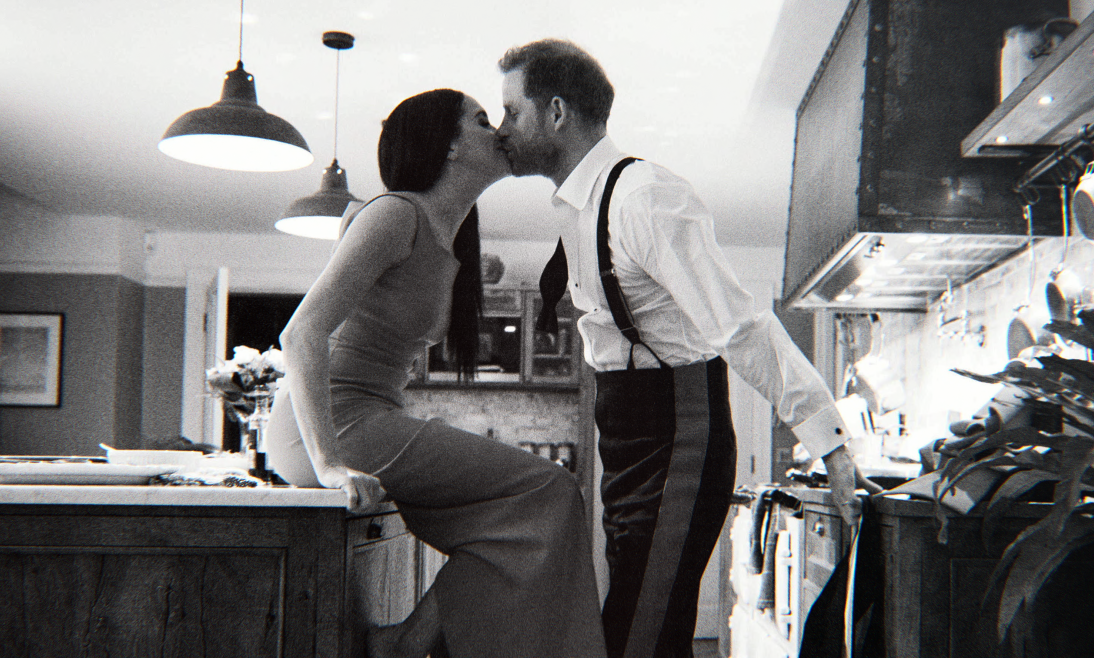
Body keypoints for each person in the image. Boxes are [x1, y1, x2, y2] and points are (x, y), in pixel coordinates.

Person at [495, 39, 880, 658]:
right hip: (623, 433)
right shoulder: (576, 205)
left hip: (678, 431)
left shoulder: (643, 195)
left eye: (513, 112)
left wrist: (830, 443)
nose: (503, 129)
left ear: (556, 113)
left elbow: (741, 325)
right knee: (640, 625)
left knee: (639, 632)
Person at [274, 88, 606, 658]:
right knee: (550, 491)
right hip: (330, 424)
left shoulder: (447, 235)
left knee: (523, 524)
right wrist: (329, 465)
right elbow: (300, 332)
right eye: (482, 120)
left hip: (366, 416)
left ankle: (408, 642)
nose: (498, 129)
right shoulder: (394, 214)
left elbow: (411, 292)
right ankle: (407, 644)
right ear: (449, 145)